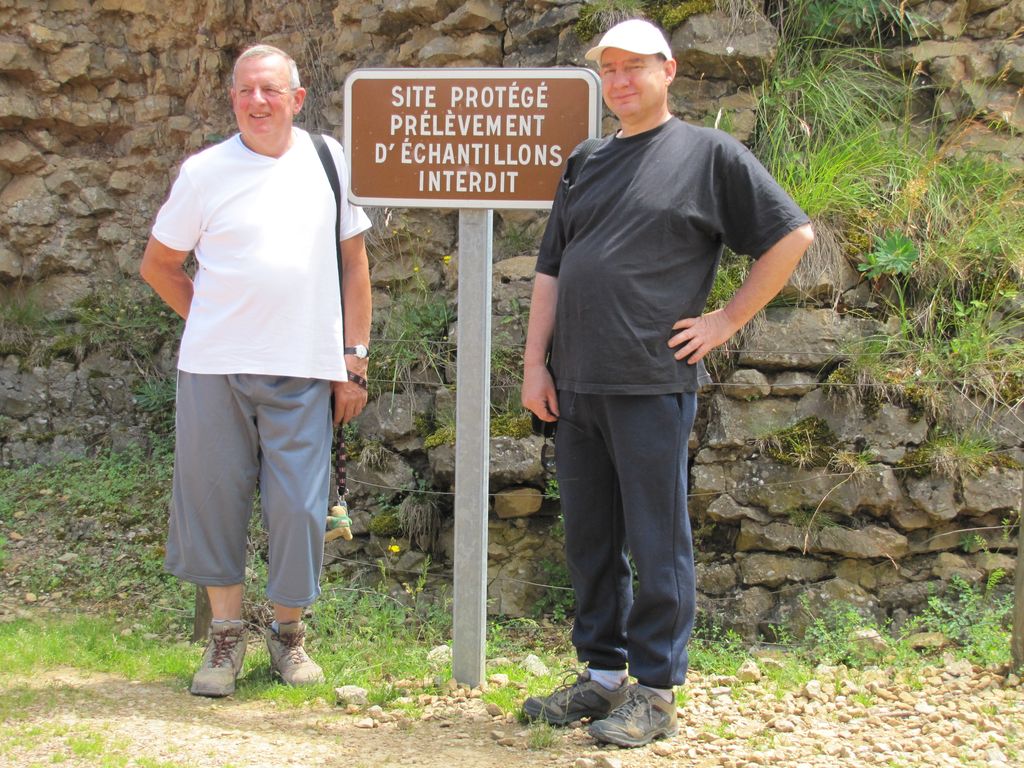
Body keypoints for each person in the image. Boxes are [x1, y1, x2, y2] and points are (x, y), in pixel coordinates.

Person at [520, 19, 813, 747]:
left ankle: (654, 693)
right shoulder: (585, 160)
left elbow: (792, 236)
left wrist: (725, 320)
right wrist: (534, 364)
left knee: (658, 543)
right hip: (575, 385)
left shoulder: (709, 154)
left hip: (651, 381)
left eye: (634, 67)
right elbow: (552, 268)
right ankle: (601, 678)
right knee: (590, 540)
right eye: (609, 69)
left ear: (668, 70)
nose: (620, 81)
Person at [140, 44, 372, 697]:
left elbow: (354, 265)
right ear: (233, 99)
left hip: (304, 368)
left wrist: (354, 359)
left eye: (269, 89)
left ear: (297, 98)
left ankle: (288, 636)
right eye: (245, 90)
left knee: (299, 507)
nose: (256, 101)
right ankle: (224, 638)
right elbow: (159, 265)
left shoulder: (328, 160)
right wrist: (213, 320)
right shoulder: (203, 172)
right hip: (214, 371)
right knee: (214, 502)